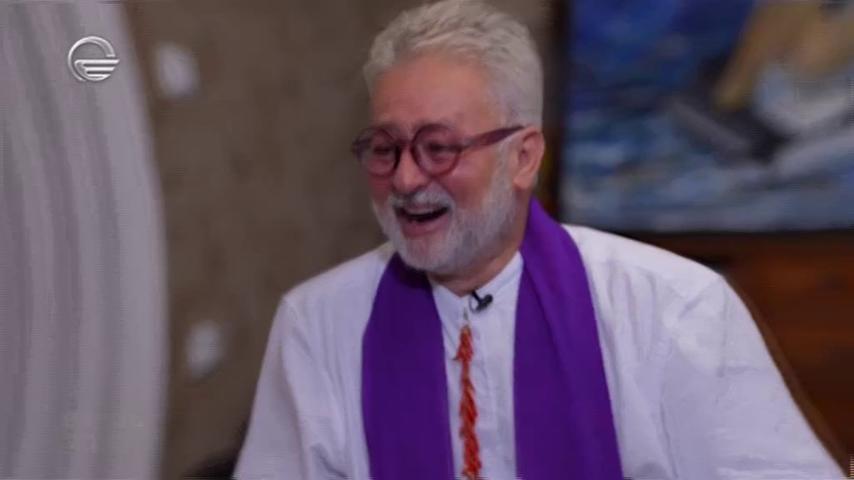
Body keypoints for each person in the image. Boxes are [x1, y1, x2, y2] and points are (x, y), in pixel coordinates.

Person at [235, 1, 844, 479]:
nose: (406, 179)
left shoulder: (672, 308)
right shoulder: (317, 324)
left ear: (523, 157)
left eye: (438, 147)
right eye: (384, 148)